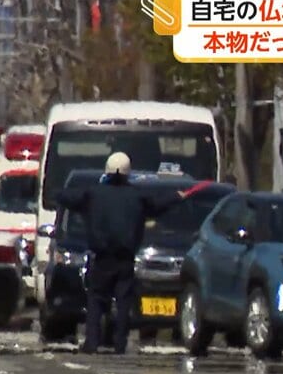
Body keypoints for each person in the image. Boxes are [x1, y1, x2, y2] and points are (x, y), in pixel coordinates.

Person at [56, 152, 194, 354]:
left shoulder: (93, 194)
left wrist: (55, 191)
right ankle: (119, 344)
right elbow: (157, 205)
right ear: (128, 173)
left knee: (96, 301)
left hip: (101, 258)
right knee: (123, 303)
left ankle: (92, 343)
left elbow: (67, 197)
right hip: (125, 260)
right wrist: (176, 197)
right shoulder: (137, 196)